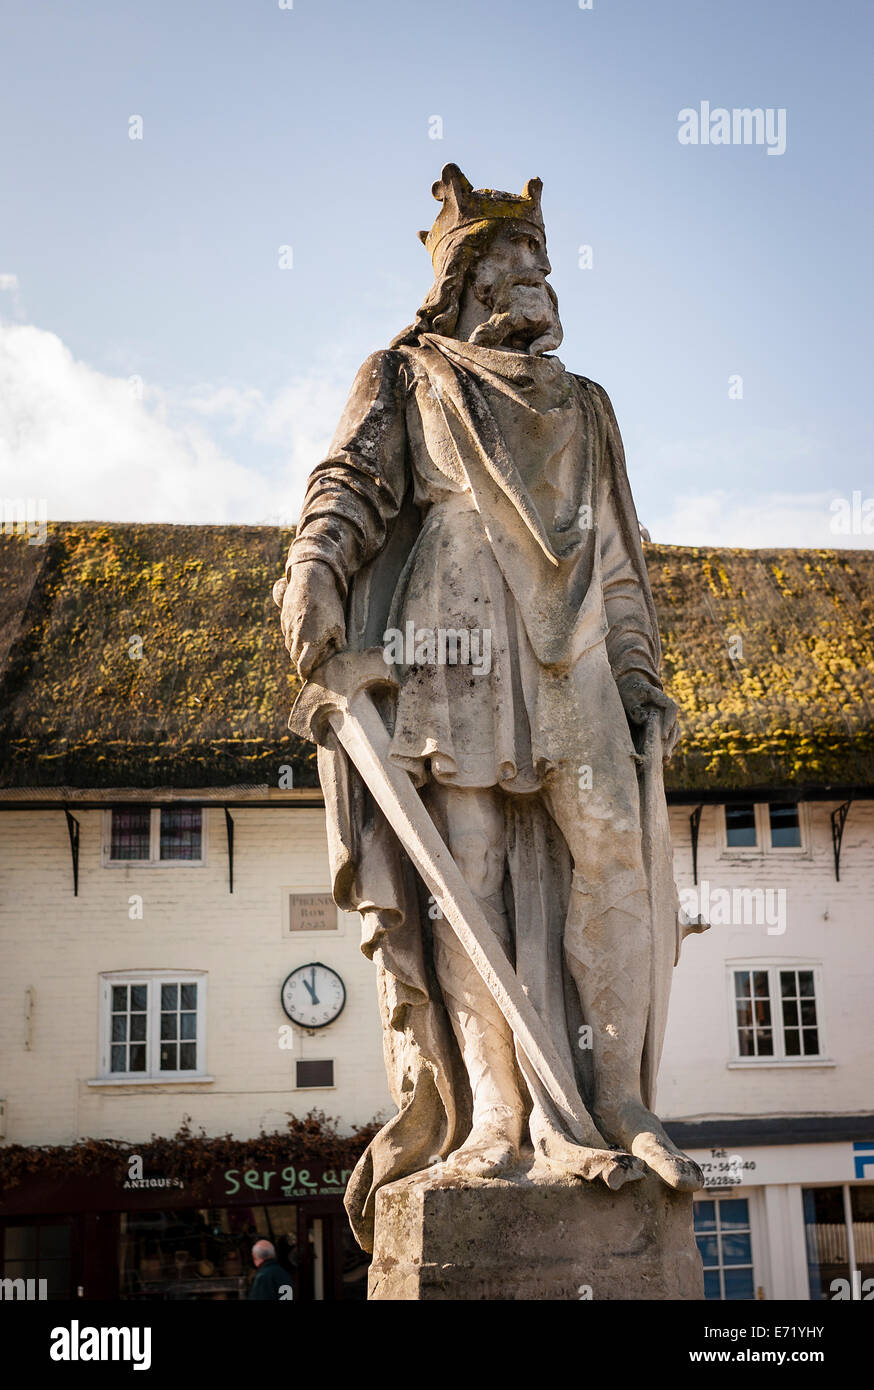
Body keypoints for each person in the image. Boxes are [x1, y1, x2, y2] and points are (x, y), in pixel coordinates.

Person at [276, 164, 703, 1253]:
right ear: (464, 277)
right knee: (462, 871)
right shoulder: (408, 374)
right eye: (512, 259)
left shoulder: (586, 403)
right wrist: (316, 569)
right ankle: (497, 1120)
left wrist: (643, 675)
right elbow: (350, 490)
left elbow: (618, 556)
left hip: (574, 656)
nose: (536, 278)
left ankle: (617, 1098)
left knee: (610, 853)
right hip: (451, 632)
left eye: (543, 262)